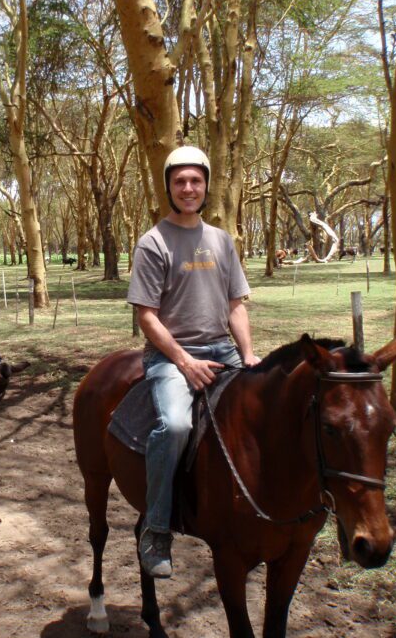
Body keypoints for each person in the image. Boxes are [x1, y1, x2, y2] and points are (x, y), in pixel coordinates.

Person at [126, 145, 261, 578]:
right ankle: (157, 529)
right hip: (169, 356)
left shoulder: (221, 240)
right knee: (177, 426)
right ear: (169, 186)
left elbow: (236, 305)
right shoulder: (153, 243)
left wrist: (249, 355)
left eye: (195, 181)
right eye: (180, 181)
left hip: (222, 350)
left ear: (206, 186)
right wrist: (184, 361)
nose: (188, 188)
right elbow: (146, 315)